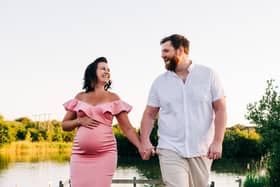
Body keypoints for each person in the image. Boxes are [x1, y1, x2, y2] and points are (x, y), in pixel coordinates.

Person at [140, 34, 227, 187]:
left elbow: (220, 109)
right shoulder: (159, 83)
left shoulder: (209, 75)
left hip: (202, 150)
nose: (162, 55)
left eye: (166, 51)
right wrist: (145, 140)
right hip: (170, 147)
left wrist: (218, 141)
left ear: (180, 50)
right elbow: (149, 114)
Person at [61, 57, 141, 187]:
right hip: (79, 156)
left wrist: (141, 146)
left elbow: (127, 128)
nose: (107, 72)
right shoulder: (79, 97)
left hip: (105, 155)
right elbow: (64, 125)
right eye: (103, 68)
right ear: (93, 72)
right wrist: (80, 121)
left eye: (109, 70)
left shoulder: (113, 98)